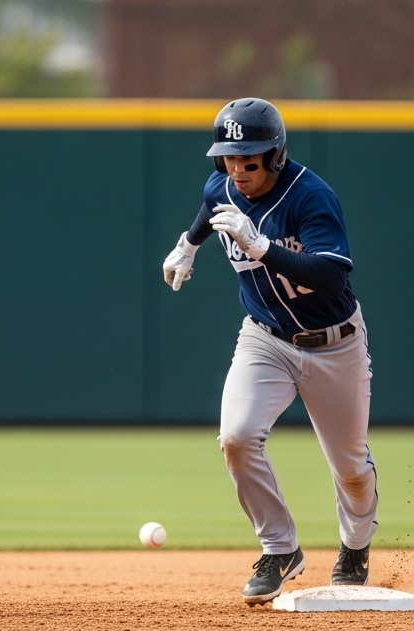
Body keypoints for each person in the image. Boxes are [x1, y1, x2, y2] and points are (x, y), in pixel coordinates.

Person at [162, 98, 378, 604]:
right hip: (265, 338)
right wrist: (188, 244)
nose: (238, 168)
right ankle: (280, 548)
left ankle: (355, 545)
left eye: (250, 159)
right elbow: (208, 204)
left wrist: (262, 248)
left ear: (276, 156)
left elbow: (330, 274)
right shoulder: (223, 185)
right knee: (236, 437)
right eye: (229, 157)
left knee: (350, 467)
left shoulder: (311, 196)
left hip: (335, 344)